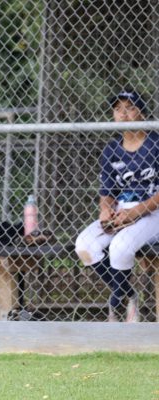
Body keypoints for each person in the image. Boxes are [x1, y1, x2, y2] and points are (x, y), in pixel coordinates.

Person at [75, 89, 159, 323]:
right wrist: (105, 210)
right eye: (117, 109)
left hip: (152, 212)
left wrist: (136, 212)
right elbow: (107, 193)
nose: (123, 113)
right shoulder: (112, 149)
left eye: (130, 107)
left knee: (120, 247)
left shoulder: (156, 142)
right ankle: (127, 294)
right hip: (121, 211)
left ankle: (116, 304)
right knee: (85, 244)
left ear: (141, 112)